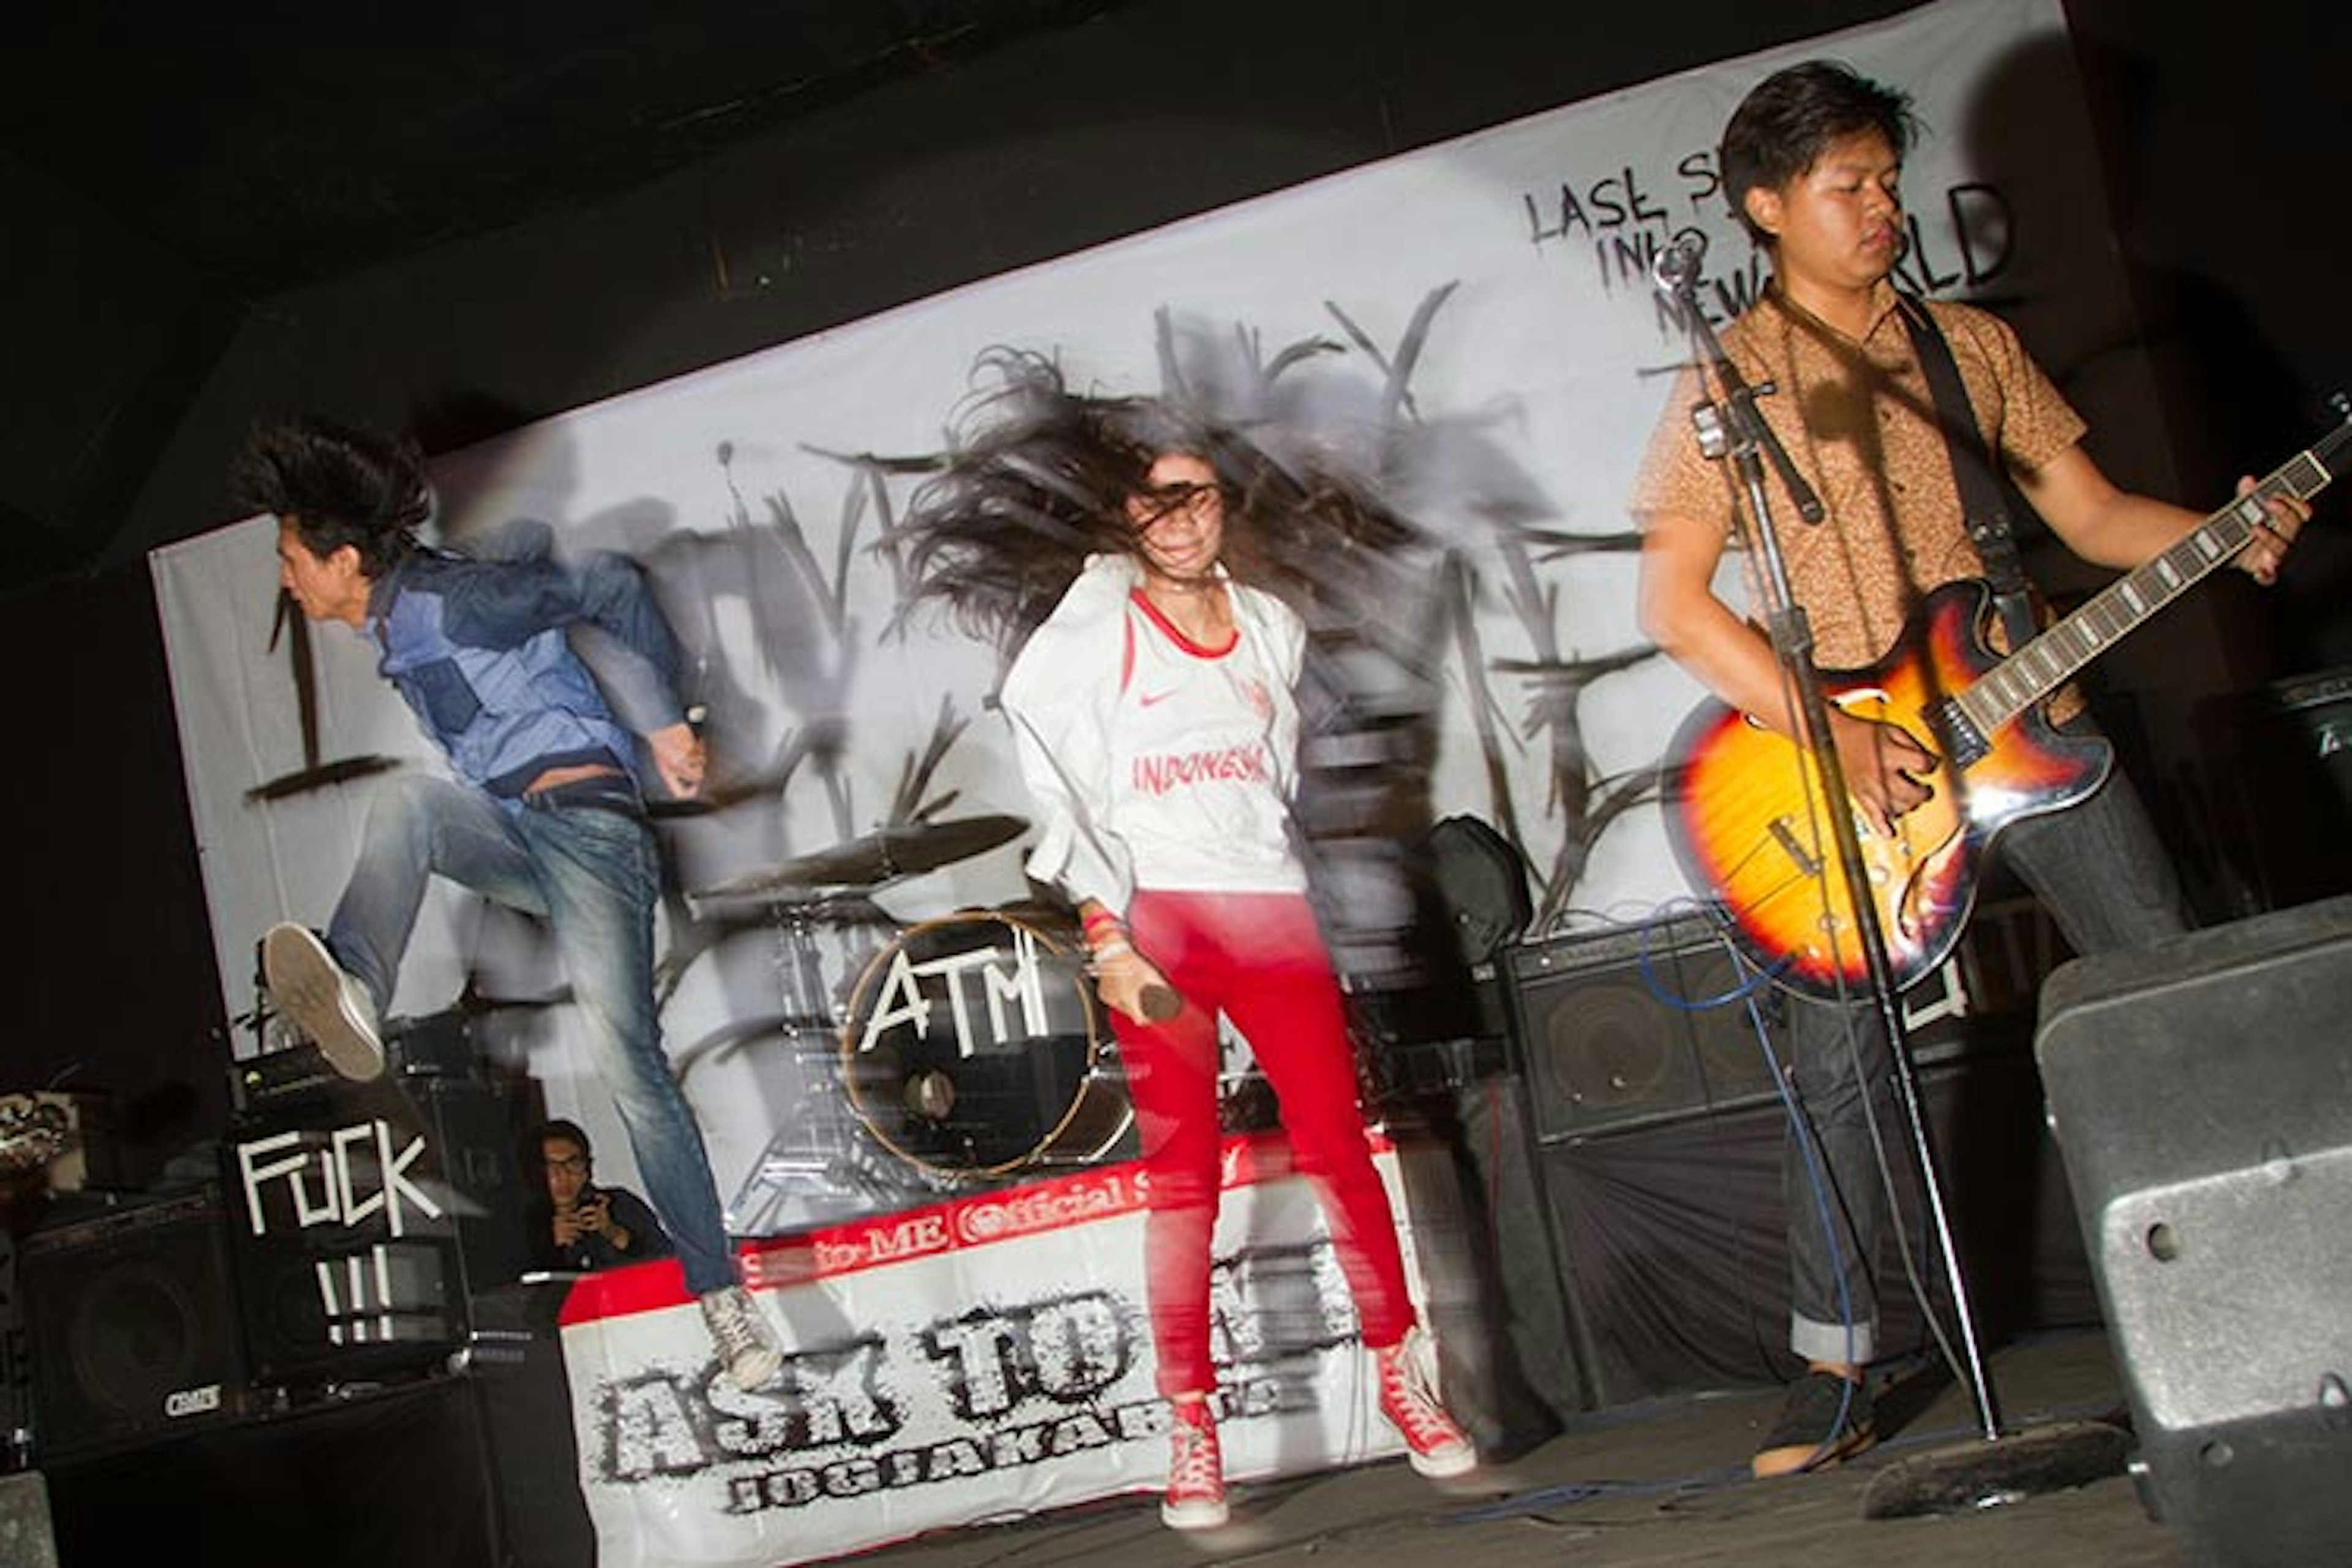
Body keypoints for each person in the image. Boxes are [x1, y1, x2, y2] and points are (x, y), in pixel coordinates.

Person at [1630, 61, 2304, 1479]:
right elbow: (1677, 606)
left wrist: (2223, 528)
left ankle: (2259, 1265)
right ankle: (1835, 1358)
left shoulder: (1966, 349)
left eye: (1887, 181)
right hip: (1857, 764)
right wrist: (1832, 726)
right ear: (1765, 208)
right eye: (1844, 188)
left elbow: (2094, 508)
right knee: (1837, 1053)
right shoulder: (1729, 382)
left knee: (2159, 981)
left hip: (2027, 714)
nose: (1880, 209)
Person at [897, 358, 1474, 1531]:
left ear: (1227, 506)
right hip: (1156, 928)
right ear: (1127, 518)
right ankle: (1190, 1427)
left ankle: (1406, 1378)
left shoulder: (1272, 627)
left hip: (1268, 914)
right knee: (1183, 1183)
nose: (1181, 519)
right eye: (1157, 503)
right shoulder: (1101, 623)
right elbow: (1056, 767)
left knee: (1337, 1148)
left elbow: (1271, 785)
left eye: (1200, 497)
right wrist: (1107, 930)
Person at [230, 413, 782, 1390]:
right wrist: (509, 544)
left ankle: (721, 1296)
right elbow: (523, 552)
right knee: (410, 805)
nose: (285, 579)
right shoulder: (412, 607)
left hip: (590, 835)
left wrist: (668, 725)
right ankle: (357, 975)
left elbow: (605, 583)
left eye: (291, 559)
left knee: (627, 1062)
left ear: (344, 560)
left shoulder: (448, 605)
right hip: (521, 834)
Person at [527, 1117, 676, 1274]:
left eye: (573, 1165)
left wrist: (615, 1233)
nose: (563, 1177)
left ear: (588, 1169)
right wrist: (550, 1248)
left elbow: (667, 1260)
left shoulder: (618, 1204)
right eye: (552, 1168)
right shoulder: (525, 1223)